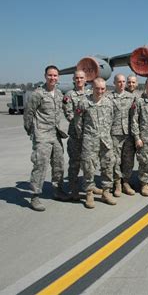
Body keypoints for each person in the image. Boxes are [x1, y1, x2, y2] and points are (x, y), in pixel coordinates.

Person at [23, 65, 70, 211]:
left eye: (55, 76)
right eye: (50, 75)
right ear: (45, 76)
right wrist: (33, 133)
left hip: (56, 134)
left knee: (58, 164)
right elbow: (28, 115)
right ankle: (35, 196)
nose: (53, 78)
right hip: (42, 135)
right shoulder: (38, 94)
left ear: (58, 78)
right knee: (40, 165)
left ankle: (57, 190)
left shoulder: (59, 94)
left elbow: (66, 109)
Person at [75, 78, 117, 209]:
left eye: (103, 89)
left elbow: (112, 120)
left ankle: (106, 192)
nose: (100, 91)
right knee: (88, 167)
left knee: (108, 165)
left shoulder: (109, 103)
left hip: (105, 140)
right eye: (97, 88)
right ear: (92, 88)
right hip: (89, 140)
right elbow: (78, 123)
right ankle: (89, 193)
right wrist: (85, 137)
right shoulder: (84, 103)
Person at [62, 70, 95, 201]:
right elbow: (69, 115)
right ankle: (73, 188)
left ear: (86, 79)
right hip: (76, 135)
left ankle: (89, 187)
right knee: (75, 163)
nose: (79, 80)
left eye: (82, 78)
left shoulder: (90, 94)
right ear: (73, 79)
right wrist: (81, 122)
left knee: (90, 163)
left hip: (89, 135)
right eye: (77, 78)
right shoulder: (69, 95)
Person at [109, 74, 136, 197]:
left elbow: (135, 117)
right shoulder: (109, 98)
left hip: (129, 134)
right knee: (115, 160)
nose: (121, 83)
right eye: (119, 81)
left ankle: (126, 182)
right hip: (115, 133)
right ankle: (117, 183)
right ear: (114, 83)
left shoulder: (131, 97)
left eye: (123, 81)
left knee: (128, 160)